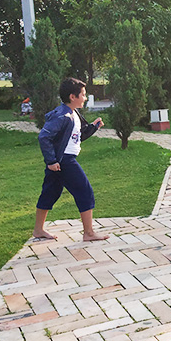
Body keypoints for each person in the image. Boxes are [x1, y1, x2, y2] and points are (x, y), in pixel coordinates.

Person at [32, 78, 109, 241]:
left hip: (60, 162)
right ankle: (89, 233)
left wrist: (94, 127)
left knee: (49, 193)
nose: (85, 98)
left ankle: (38, 230)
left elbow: (77, 137)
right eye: (83, 95)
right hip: (64, 161)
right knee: (84, 191)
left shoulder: (73, 113)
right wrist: (51, 161)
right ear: (72, 97)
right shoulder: (62, 115)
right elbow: (44, 137)